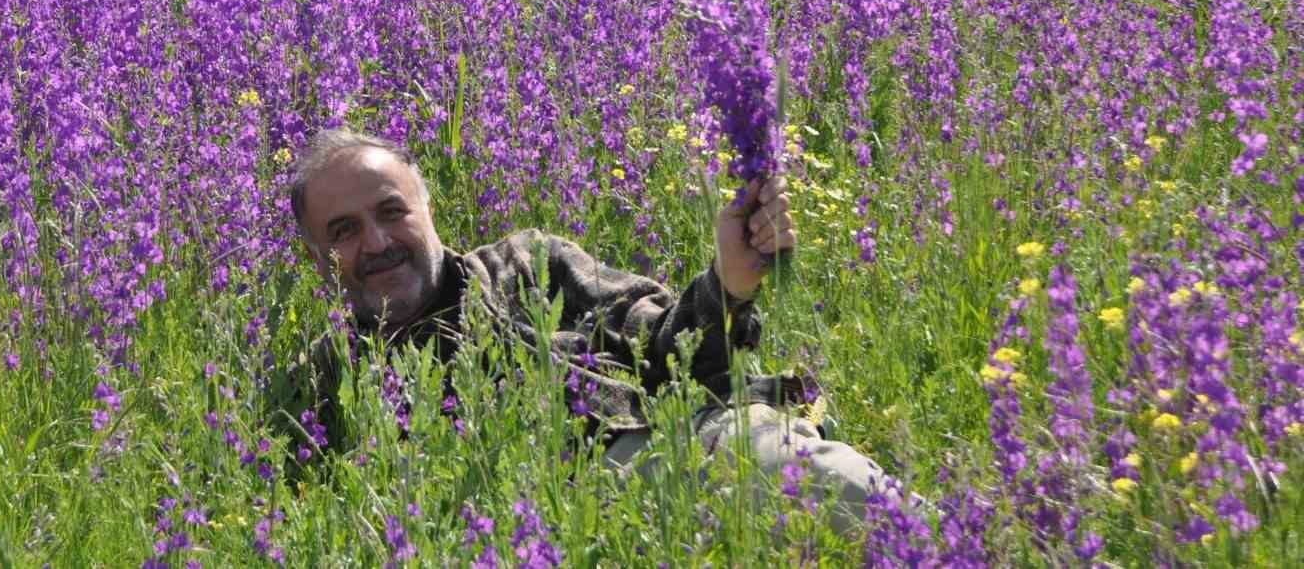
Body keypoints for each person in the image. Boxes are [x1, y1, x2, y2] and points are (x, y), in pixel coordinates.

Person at [277, 128, 891, 535]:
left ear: (428, 210)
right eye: (344, 231)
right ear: (313, 258)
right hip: (509, 533)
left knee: (831, 488)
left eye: (392, 212)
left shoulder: (526, 266)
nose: (378, 243)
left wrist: (729, 284)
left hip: (656, 451)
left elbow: (668, 347)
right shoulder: (320, 378)